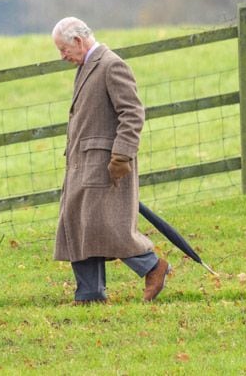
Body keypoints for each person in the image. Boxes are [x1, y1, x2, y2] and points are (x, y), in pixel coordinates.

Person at [51, 17, 170, 303]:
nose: (62, 56)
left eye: (63, 49)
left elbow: (132, 113)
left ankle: (153, 267)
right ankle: (90, 294)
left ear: (78, 41)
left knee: (109, 228)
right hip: (83, 163)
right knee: (79, 224)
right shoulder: (86, 67)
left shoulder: (111, 65)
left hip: (106, 165)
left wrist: (122, 155)